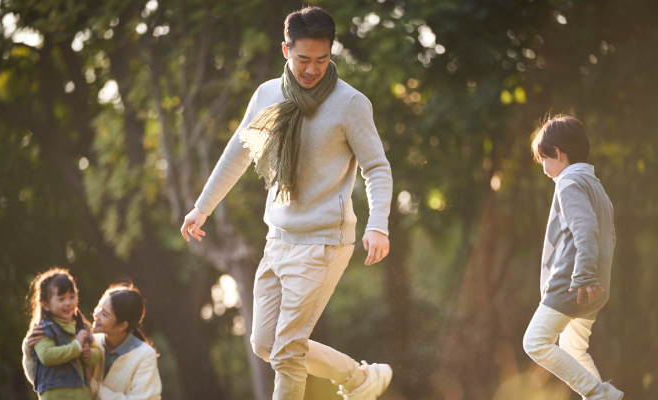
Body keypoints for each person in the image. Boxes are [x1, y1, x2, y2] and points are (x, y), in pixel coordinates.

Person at [180, 6, 393, 400]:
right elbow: (238, 153)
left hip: (324, 242)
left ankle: (357, 380)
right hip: (278, 240)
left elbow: (377, 168)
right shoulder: (267, 95)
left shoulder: (350, 103)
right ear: (285, 50)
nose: (312, 69)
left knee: (288, 351)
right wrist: (202, 206)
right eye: (303, 60)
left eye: (322, 59)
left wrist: (377, 222)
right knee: (264, 344)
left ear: (331, 53)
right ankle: (359, 379)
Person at [523, 115, 624, 400]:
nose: (543, 168)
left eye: (543, 158)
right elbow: (608, 236)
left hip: (574, 283)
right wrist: (594, 275)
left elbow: (586, 229)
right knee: (574, 349)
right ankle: (602, 397)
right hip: (594, 286)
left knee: (535, 342)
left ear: (558, 152)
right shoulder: (597, 187)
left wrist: (583, 275)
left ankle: (597, 393)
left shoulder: (568, 182)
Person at [23, 281, 162, 400]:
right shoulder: (88, 344)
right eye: (99, 307)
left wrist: (95, 387)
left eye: (104, 314)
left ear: (122, 325)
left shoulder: (144, 355)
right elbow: (47, 381)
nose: (96, 314)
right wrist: (29, 351)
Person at [23, 268, 101, 399]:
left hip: (82, 394)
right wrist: (76, 346)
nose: (69, 303)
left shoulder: (82, 327)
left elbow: (96, 353)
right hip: (56, 395)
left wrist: (89, 355)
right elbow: (46, 356)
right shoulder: (43, 329)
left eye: (72, 297)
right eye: (61, 299)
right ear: (46, 305)